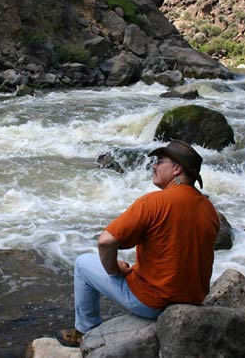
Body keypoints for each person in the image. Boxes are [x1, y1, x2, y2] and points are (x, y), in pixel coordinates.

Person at [58, 139, 220, 347]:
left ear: (177, 169)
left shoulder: (153, 202)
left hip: (153, 303)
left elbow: (106, 242)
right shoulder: (209, 209)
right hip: (192, 300)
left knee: (82, 264)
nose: (153, 165)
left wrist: (114, 269)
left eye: (160, 161)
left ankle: (84, 332)